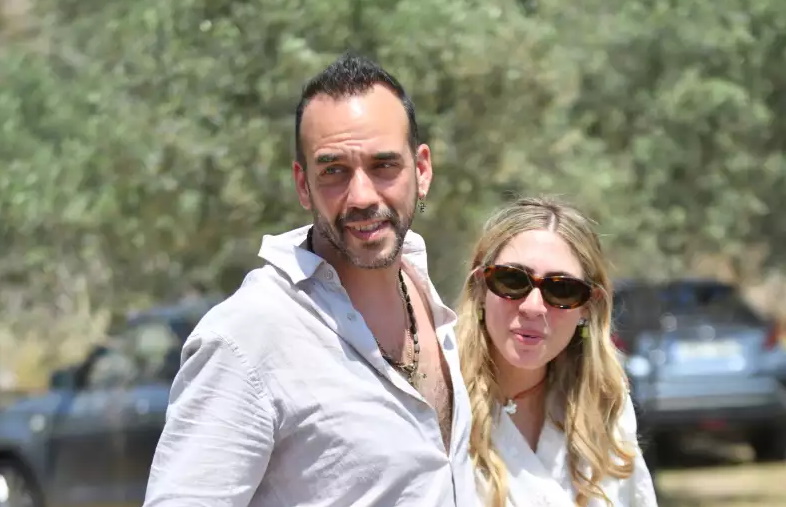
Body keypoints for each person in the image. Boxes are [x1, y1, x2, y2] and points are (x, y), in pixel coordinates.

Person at [143, 52, 477, 506]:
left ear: (421, 170)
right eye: (334, 171)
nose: (362, 196)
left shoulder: (428, 297)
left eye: (383, 166)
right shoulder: (249, 335)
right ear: (303, 184)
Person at [456, 196, 658, 507]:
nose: (533, 307)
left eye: (561, 289)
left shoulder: (606, 404)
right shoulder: (439, 401)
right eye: (512, 280)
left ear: (588, 306)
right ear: (481, 287)